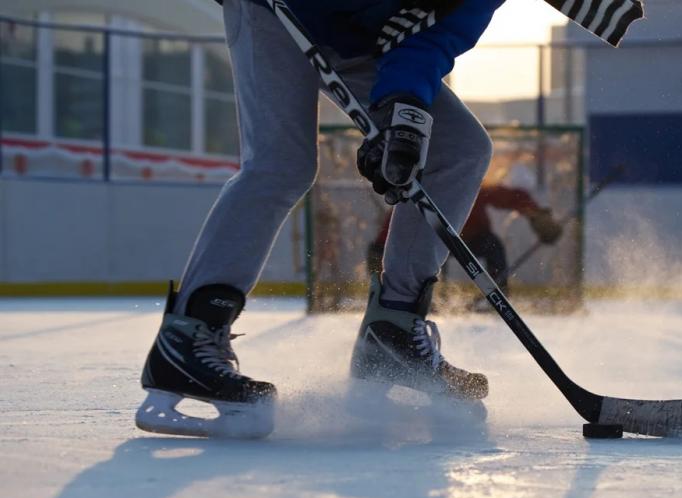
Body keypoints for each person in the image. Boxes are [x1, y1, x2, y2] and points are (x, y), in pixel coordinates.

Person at [135, 0, 644, 438]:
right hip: (277, 8)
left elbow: (430, 44)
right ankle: (189, 338)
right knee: (281, 163)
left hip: (358, 34)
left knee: (459, 148)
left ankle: (393, 332)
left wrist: (404, 119)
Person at [367, 169, 563, 298]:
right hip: (438, 242)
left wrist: (536, 215)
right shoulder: (422, 189)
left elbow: (510, 198)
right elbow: (399, 223)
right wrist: (380, 249)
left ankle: (498, 295)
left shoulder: (471, 183)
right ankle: (421, 300)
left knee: (492, 245)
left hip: (474, 238)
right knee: (420, 259)